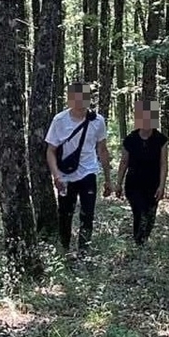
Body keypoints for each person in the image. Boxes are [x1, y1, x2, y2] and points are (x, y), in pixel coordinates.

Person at [46, 81, 113, 252]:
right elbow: (50, 151)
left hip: (89, 172)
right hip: (65, 175)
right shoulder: (59, 120)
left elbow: (102, 150)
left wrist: (108, 179)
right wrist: (56, 175)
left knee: (87, 214)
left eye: (83, 96)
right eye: (75, 97)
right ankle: (64, 249)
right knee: (65, 214)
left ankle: (84, 252)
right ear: (69, 99)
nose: (79, 101)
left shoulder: (97, 121)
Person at [115, 99, 169, 246]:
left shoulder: (161, 140)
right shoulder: (130, 139)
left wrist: (162, 186)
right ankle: (138, 243)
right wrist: (118, 183)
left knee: (151, 215)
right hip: (134, 184)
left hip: (153, 184)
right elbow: (124, 162)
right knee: (139, 212)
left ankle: (143, 239)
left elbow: (163, 164)